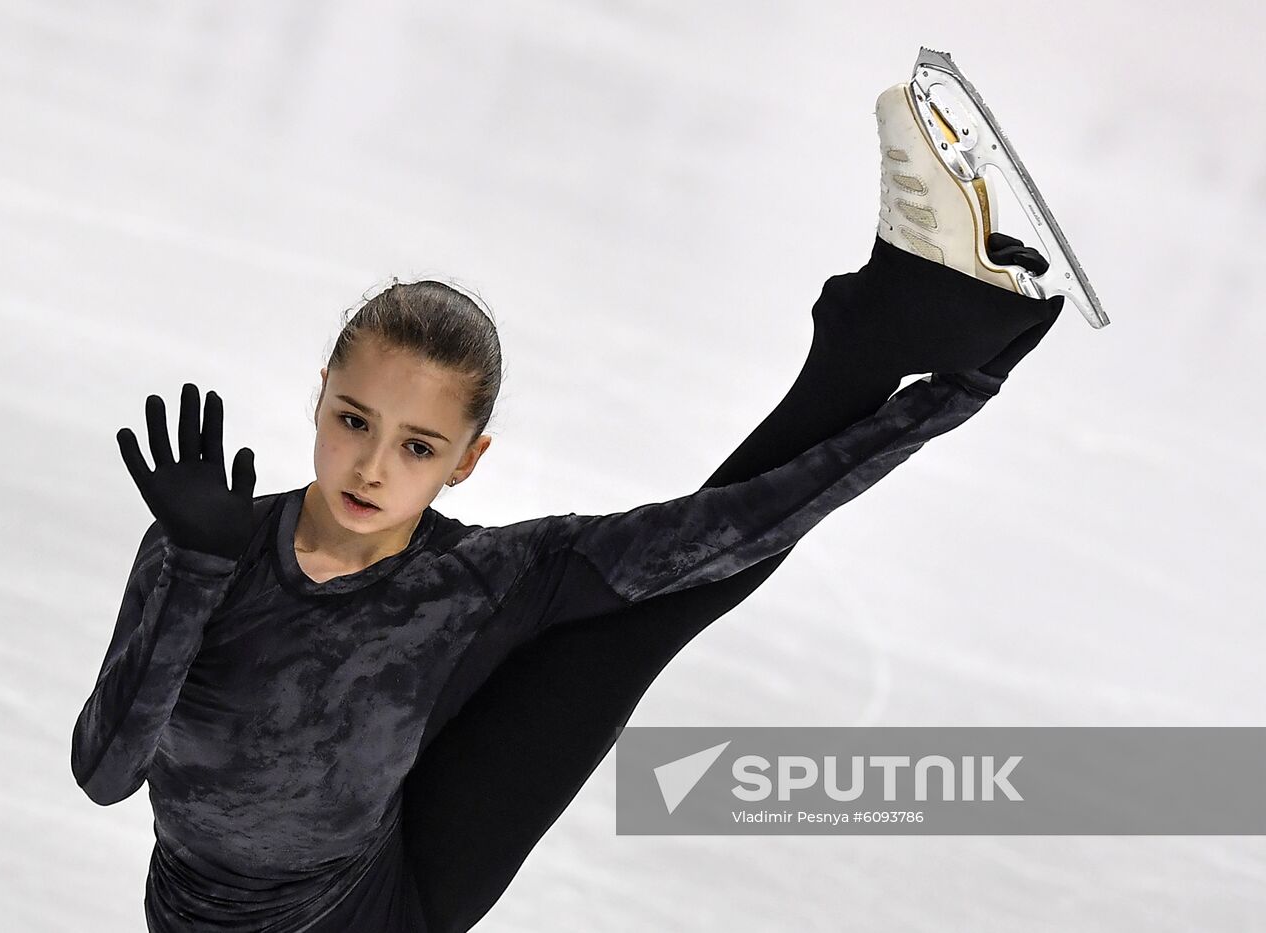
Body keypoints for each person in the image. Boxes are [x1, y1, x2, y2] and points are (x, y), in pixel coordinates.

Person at [71, 80, 1066, 932]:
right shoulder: (212, 541)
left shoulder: (474, 579)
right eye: (354, 420)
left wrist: (932, 407)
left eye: (417, 446)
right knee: (643, 601)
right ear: (321, 395)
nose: (370, 467)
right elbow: (106, 772)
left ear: (467, 461)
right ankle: (894, 318)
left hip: (369, 898)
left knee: (648, 606)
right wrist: (195, 570)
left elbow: (721, 532)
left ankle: (894, 315)